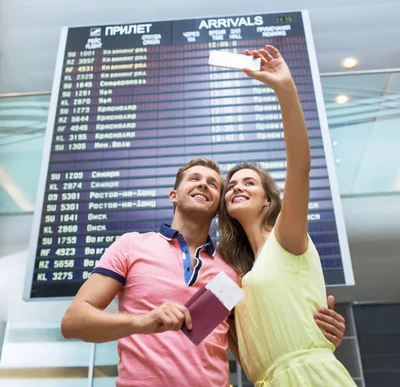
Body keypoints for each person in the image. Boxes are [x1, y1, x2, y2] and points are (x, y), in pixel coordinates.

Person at [61, 151, 345, 385]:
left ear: (219, 206)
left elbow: (254, 344)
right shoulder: (131, 246)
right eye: (194, 179)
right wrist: (142, 322)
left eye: (212, 183)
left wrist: (316, 331)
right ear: (174, 195)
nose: (203, 184)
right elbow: (73, 322)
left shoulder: (232, 273)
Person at [218, 44, 356, 386]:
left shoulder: (287, 238)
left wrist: (285, 91)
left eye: (248, 183)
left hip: (314, 376)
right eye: (231, 185)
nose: (236, 187)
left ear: (268, 200)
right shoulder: (235, 277)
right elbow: (202, 333)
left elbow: (300, 168)